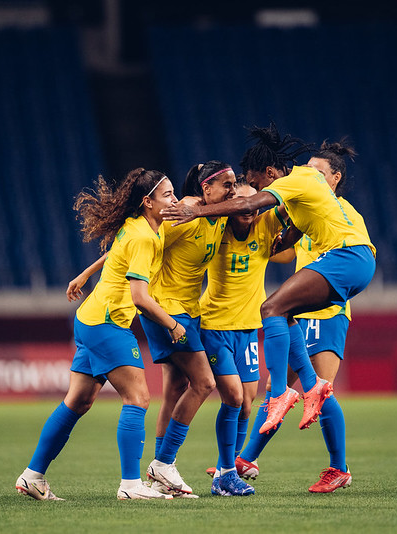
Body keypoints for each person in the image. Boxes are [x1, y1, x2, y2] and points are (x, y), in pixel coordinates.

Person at [161, 124, 376, 492]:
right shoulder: (279, 209)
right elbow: (289, 230)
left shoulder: (293, 184)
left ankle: (283, 402)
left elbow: (249, 204)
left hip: (341, 268)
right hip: (240, 318)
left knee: (271, 311)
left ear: (271, 174)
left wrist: (199, 212)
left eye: (257, 181)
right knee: (266, 378)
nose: (257, 188)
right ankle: (243, 456)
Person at [15, 168, 184, 501]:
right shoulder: (143, 236)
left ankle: (32, 476)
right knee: (138, 398)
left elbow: (114, 255)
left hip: (90, 318)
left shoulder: (141, 226)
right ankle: (131, 486)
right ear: (148, 202)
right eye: (168, 195)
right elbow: (140, 298)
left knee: (78, 400)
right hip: (108, 323)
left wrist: (85, 273)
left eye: (175, 193)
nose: (175, 200)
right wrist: (172, 324)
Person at [237, 139, 358, 493]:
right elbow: (284, 255)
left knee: (317, 390)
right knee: (283, 387)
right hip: (298, 312)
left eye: (320, 173)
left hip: (326, 312)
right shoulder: (305, 207)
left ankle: (339, 467)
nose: (311, 177)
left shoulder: (341, 211)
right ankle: (246, 459)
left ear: (335, 178)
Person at [139, 161, 238, 498]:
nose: (232, 190)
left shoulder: (218, 215)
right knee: (204, 382)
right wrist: (90, 273)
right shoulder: (185, 214)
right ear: (204, 189)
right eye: (225, 185)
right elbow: (138, 244)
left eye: (234, 183)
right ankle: (163, 463)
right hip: (167, 309)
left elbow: (250, 203)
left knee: (174, 388)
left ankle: (158, 477)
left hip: (189, 310)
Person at [197, 176, 288, 495]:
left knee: (247, 404)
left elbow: (297, 212)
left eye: (255, 203)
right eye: (242, 203)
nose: (249, 208)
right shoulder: (216, 227)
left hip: (248, 329)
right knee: (233, 397)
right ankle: (223, 473)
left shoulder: (265, 227)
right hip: (213, 326)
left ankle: (230, 467)